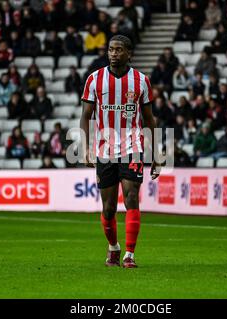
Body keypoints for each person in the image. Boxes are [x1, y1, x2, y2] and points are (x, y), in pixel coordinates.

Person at [80, 35, 160, 269]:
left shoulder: (141, 81)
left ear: (129, 53)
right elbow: (86, 116)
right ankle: (113, 247)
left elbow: (148, 119)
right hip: (104, 148)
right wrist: (85, 147)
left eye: (118, 50)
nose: (113, 53)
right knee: (108, 207)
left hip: (132, 147)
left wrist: (156, 153)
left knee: (132, 196)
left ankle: (129, 254)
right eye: (111, 49)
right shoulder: (95, 79)